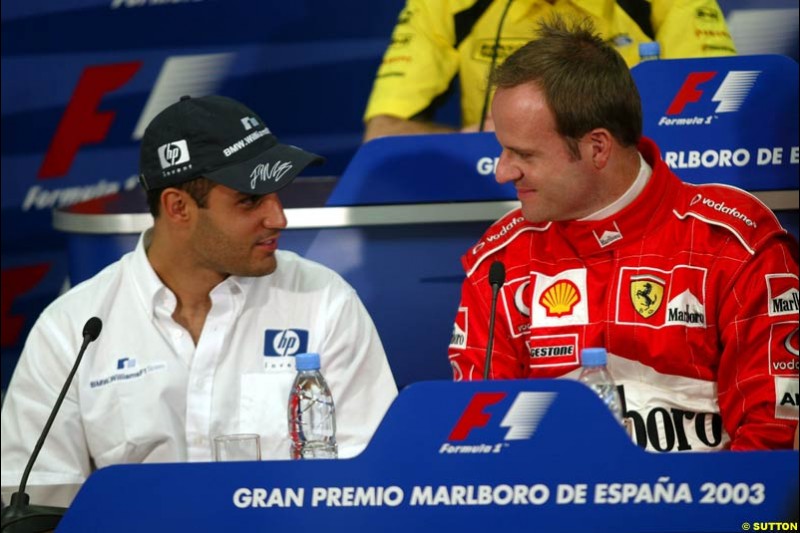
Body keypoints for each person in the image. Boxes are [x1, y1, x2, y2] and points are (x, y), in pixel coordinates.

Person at [0, 95, 398, 488]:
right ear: (178, 208)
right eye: (250, 201)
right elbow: (36, 502)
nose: (278, 218)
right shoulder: (72, 329)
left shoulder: (323, 300)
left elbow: (373, 480)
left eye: (278, 194)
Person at [447, 17, 799, 451]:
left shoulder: (731, 242)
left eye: (523, 154)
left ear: (597, 147)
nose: (503, 171)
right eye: (501, 149)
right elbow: (482, 443)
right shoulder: (500, 262)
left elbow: (774, 435)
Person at [363, 0, 736, 141]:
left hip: (636, 200)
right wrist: (469, 140)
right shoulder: (445, 5)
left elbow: (721, 124)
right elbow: (383, 133)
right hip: (500, 201)